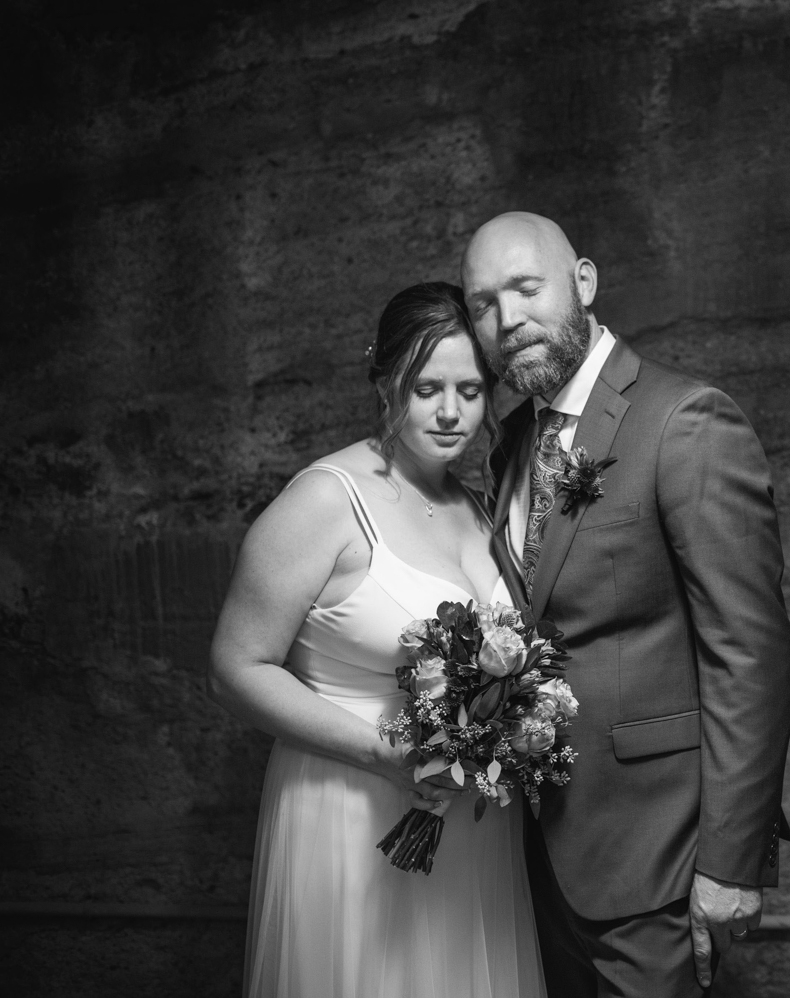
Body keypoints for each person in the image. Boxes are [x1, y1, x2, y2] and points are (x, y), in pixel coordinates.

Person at [460, 212, 790, 996]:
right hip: (535, 855)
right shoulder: (510, 442)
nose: (508, 322)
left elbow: (750, 654)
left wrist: (731, 861)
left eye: (525, 288)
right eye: (482, 304)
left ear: (583, 282)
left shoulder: (686, 422)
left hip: (659, 858)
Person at [209, 282, 544, 998]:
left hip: (469, 826)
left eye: (470, 389)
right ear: (386, 379)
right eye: (427, 387)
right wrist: (381, 754)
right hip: (350, 810)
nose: (451, 412)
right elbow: (236, 667)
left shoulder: (480, 505)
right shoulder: (326, 499)